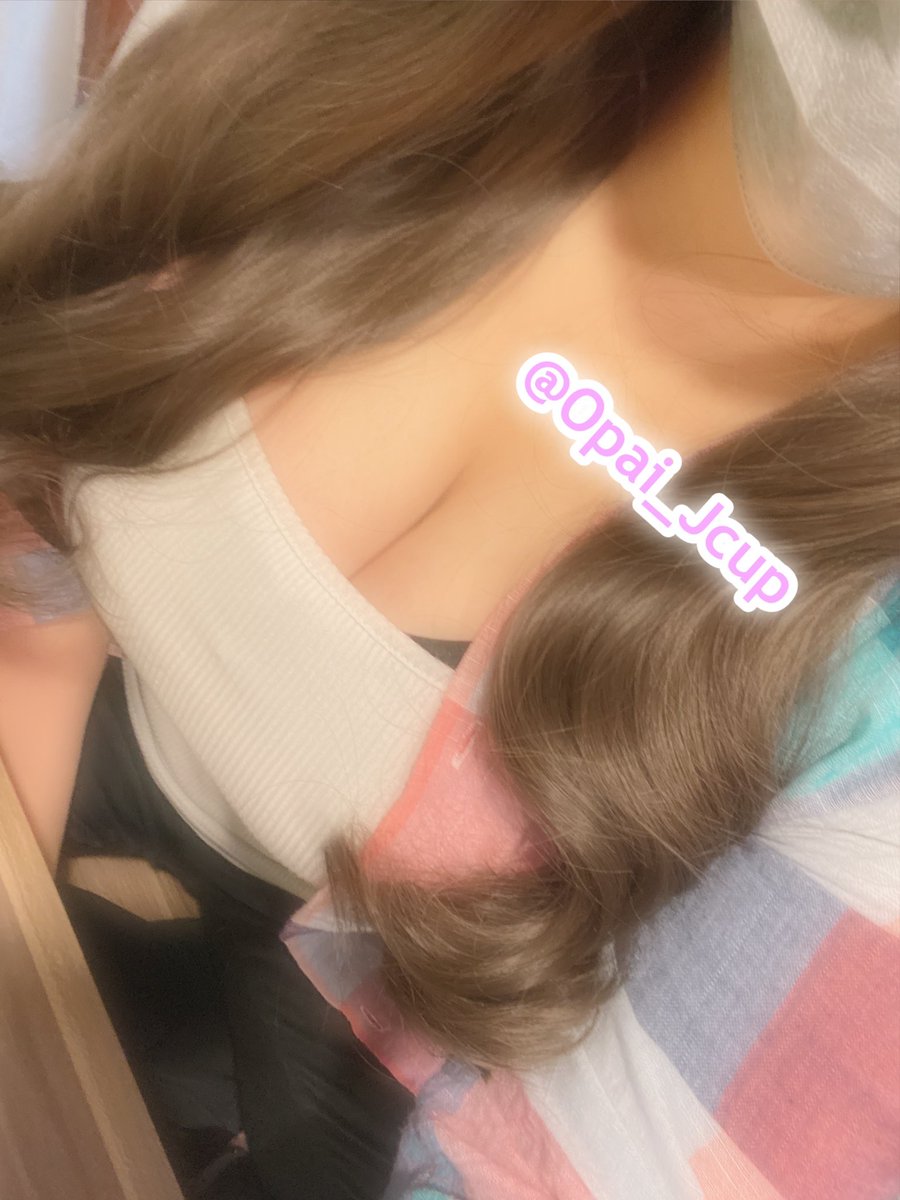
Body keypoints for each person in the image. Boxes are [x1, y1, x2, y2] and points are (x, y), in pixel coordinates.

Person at [0, 2, 897, 1197]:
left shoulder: (866, 669)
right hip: (115, 725)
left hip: (394, 987)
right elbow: (42, 485)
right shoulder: (307, 50)